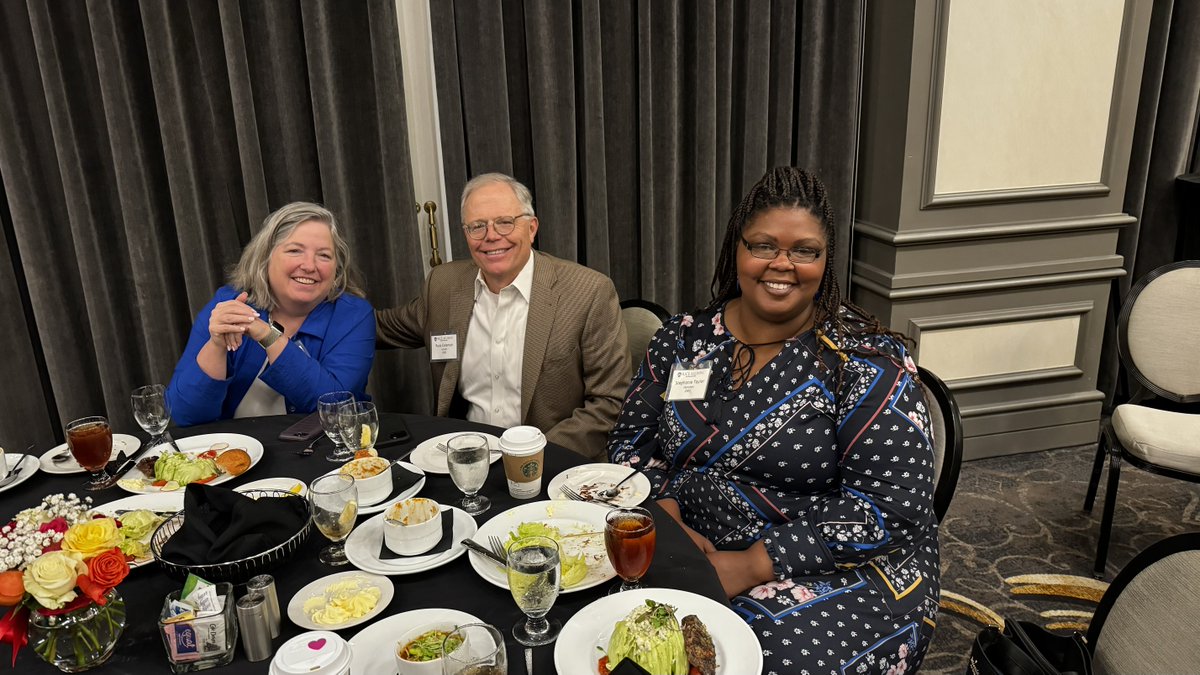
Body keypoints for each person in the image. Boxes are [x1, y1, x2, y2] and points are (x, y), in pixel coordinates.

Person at [608, 167, 939, 675]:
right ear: (736, 249)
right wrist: (667, 511)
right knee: (603, 618)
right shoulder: (682, 339)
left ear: (825, 263)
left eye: (805, 251)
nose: (782, 264)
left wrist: (751, 565)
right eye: (763, 245)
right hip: (689, 540)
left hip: (844, 566)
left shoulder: (863, 361)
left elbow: (891, 509)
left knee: (756, 660)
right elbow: (630, 445)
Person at [376, 173, 628, 461]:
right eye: (477, 226)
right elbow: (380, 327)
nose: (491, 236)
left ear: (531, 228)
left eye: (505, 222)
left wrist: (526, 458)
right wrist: (315, 310)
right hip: (466, 463)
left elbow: (610, 403)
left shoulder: (587, 292)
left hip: (552, 465)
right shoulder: (443, 286)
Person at [166, 202, 375, 426]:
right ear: (265, 258)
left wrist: (266, 334)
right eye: (295, 250)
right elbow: (184, 415)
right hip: (235, 454)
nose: (309, 265)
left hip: (321, 454)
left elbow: (334, 410)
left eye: (324, 255)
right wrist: (216, 345)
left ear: (336, 270)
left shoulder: (354, 316)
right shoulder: (227, 304)